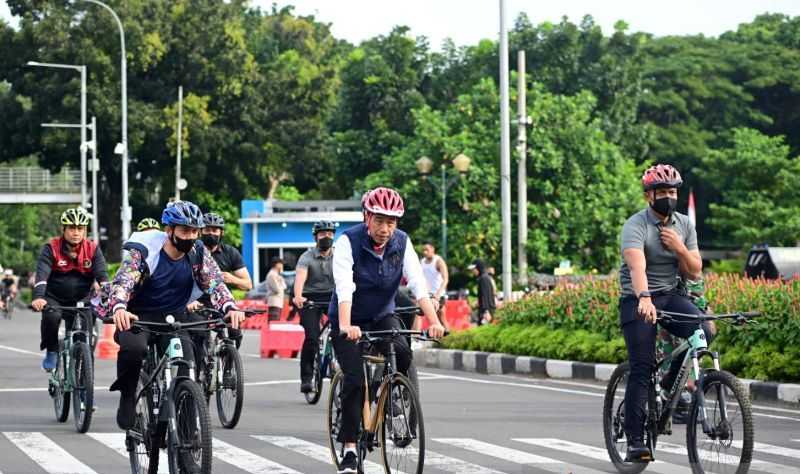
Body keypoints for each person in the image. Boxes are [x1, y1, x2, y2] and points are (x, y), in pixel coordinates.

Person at [99, 200, 245, 430]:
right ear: (169, 230)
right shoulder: (145, 251)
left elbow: (215, 283)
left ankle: (187, 430)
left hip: (175, 317)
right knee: (134, 350)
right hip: (139, 316)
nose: (190, 236)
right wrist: (119, 307)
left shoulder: (198, 252)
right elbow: (125, 281)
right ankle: (127, 396)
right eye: (185, 230)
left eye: (194, 231)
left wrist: (230, 307)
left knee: (188, 365)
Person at [330, 186, 445, 474]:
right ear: (366, 217)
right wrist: (346, 325)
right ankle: (349, 448)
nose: (385, 228)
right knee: (355, 381)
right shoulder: (347, 242)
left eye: (391, 222)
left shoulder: (402, 243)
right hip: (349, 319)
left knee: (404, 354)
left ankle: (390, 396)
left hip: (382, 314)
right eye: (379, 220)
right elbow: (345, 287)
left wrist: (435, 322)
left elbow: (418, 283)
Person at [619, 164, 713, 462]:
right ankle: (636, 439)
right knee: (642, 366)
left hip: (671, 296)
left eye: (673, 192)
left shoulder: (684, 224)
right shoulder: (636, 225)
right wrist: (644, 298)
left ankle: (669, 382)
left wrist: (679, 248)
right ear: (650, 195)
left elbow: (695, 270)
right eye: (663, 192)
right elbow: (637, 266)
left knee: (705, 330)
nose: (669, 197)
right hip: (638, 298)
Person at [32, 207, 108, 370]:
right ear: (63, 229)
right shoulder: (51, 248)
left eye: (80, 229)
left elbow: (102, 276)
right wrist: (39, 297)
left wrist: (110, 297)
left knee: (85, 340)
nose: (76, 233)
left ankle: (85, 381)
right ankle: (52, 350)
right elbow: (42, 275)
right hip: (55, 298)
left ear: (85, 230)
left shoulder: (93, 249)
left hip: (83, 299)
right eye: (72, 228)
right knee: (51, 318)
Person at [187, 212, 252, 352]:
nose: (211, 233)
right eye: (207, 229)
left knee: (235, 329)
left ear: (221, 233)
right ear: (200, 231)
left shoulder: (230, 253)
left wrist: (231, 278)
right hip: (198, 302)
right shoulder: (193, 251)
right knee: (199, 335)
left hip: (222, 301)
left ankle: (229, 363)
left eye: (214, 230)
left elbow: (248, 284)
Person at [294, 220, 336, 393]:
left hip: (334, 297)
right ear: (315, 237)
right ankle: (307, 377)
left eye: (329, 234)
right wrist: (298, 296)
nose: (326, 237)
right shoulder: (307, 257)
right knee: (311, 337)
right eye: (322, 234)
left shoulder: (340, 255)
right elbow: (300, 279)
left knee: (344, 332)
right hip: (309, 298)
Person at [420, 242, 449, 331]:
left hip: (439, 294)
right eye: (423, 250)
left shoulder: (438, 261)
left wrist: (438, 294)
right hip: (427, 294)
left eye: (427, 250)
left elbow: (446, 279)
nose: (425, 252)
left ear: (433, 249)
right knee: (429, 317)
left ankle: (448, 337)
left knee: (441, 317)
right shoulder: (422, 262)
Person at [468, 259, 495, 325]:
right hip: (486, 310)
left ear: (478, 268)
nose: (472, 271)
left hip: (486, 311)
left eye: (474, 269)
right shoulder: (484, 277)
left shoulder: (483, 278)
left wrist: (486, 311)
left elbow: (485, 296)